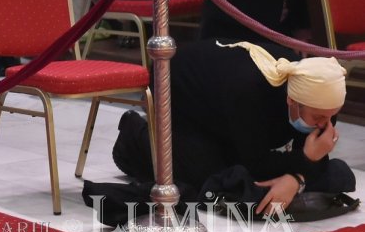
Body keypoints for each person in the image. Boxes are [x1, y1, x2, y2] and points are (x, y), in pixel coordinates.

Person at [115, 40, 352, 213]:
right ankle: (135, 136)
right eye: (319, 117)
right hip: (184, 96)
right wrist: (304, 165)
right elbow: (258, 163)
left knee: (246, 178)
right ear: (292, 101)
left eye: (332, 116)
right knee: (209, 181)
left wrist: (294, 178)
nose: (326, 124)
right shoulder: (250, 93)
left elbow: (312, 155)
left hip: (229, 108)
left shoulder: (323, 98)